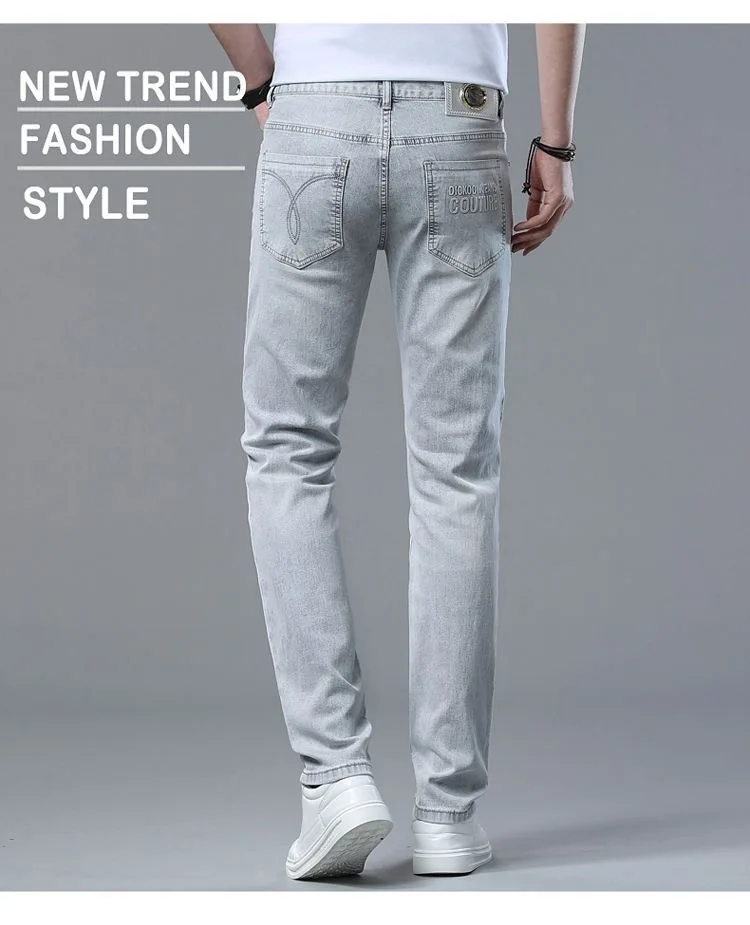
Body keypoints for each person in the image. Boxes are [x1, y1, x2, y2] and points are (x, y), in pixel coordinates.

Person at [210, 22, 585, 880]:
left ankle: (335, 776)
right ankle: (449, 812)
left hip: (315, 114)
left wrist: (264, 83)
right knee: (458, 471)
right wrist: (556, 143)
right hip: (460, 122)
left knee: (287, 448)